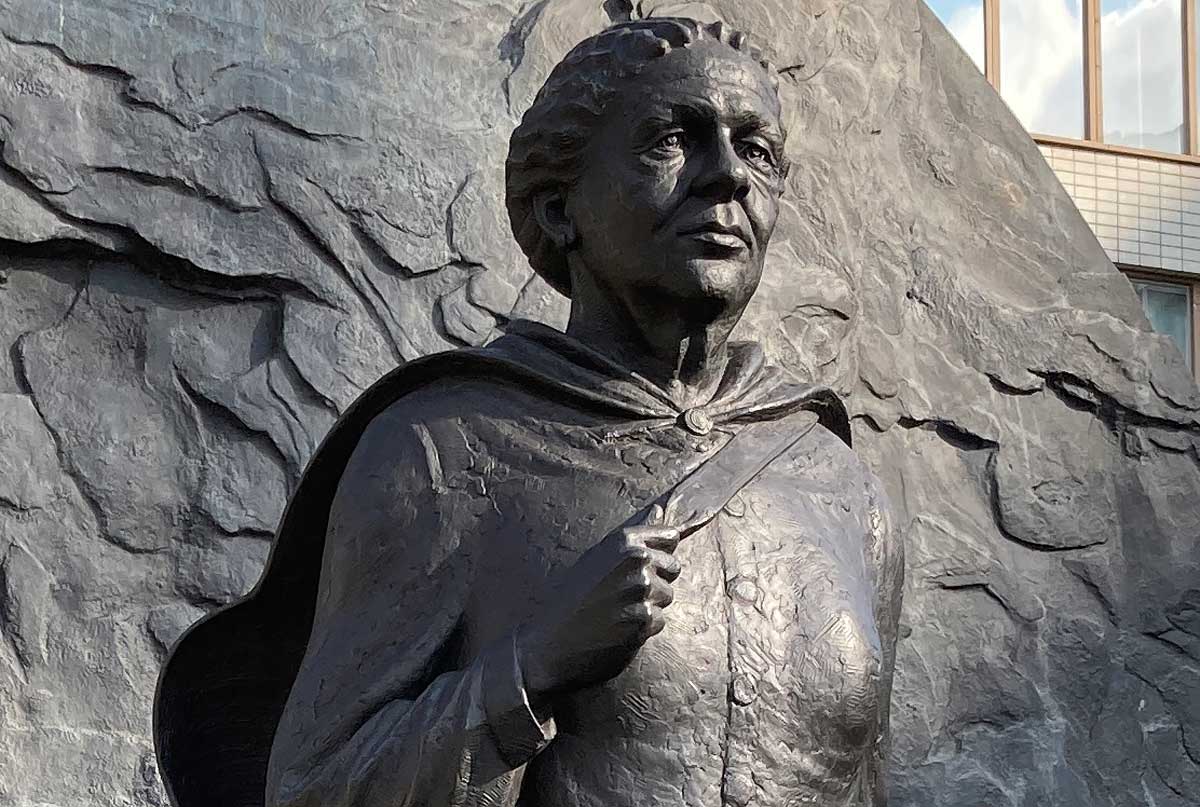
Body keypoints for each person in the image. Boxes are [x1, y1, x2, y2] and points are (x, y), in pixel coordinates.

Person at [154, 17, 903, 807]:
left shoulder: (836, 482)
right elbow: (310, 792)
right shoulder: (440, 450)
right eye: (672, 139)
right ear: (557, 208)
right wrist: (536, 664)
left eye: (757, 150)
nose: (728, 177)